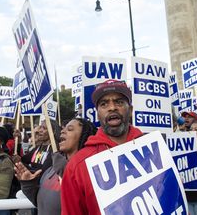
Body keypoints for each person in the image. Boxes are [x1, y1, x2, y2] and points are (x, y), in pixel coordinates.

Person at [61, 79, 143, 214]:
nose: (112, 107)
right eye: (104, 104)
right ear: (97, 113)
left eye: (119, 102)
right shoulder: (77, 166)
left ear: (131, 110)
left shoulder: (156, 150)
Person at [15, 117, 97, 215]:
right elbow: (41, 203)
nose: (62, 131)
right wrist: (28, 184)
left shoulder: (90, 170)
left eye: (70, 129)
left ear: (84, 136)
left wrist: (66, 171)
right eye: (64, 128)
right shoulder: (51, 169)